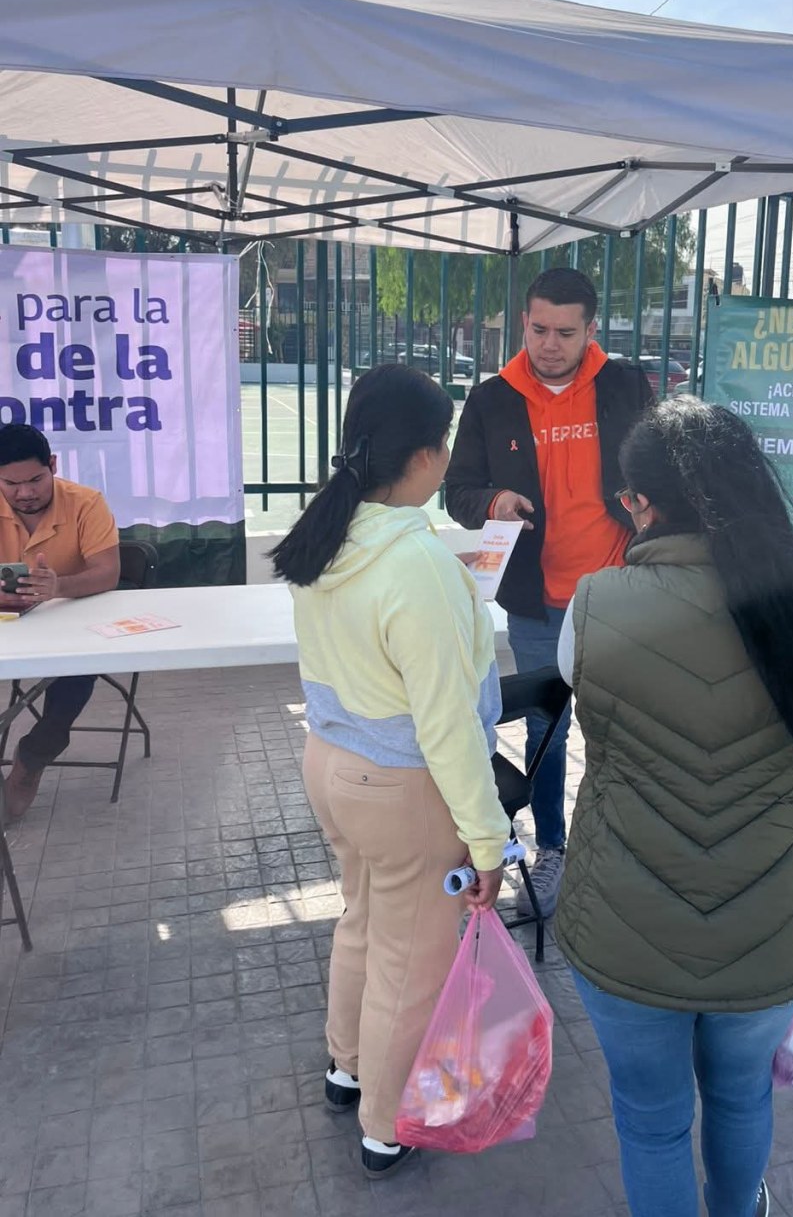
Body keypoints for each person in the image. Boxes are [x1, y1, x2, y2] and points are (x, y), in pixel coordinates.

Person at [553, 397, 793, 1217]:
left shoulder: (592, 608)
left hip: (620, 926)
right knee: (742, 1099)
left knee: (651, 1121)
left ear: (638, 502)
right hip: (767, 927)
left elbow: (579, 687)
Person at [270, 364, 510, 1180]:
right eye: (443, 445)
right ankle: (387, 1119)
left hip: (332, 763)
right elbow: (447, 726)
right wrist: (489, 840)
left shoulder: (328, 535)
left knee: (365, 921)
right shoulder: (416, 563)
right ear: (425, 456)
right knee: (415, 959)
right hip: (403, 788)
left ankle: (347, 1064)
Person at [445, 266, 652, 917]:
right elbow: (458, 492)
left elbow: (661, 468)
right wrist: (494, 500)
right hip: (537, 601)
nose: (550, 343)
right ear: (524, 323)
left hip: (621, 595)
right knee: (548, 733)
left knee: (628, 728)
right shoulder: (491, 398)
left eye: (566, 331)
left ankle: (624, 848)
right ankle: (554, 848)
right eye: (538, 329)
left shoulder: (624, 385)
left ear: (592, 330)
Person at [0, 424, 121, 818]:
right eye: (11, 483)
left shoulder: (86, 502)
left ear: (52, 465)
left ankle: (28, 763)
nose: (25, 493)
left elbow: (108, 573)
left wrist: (58, 586)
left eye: (35, 479)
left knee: (70, 689)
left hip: (72, 631)